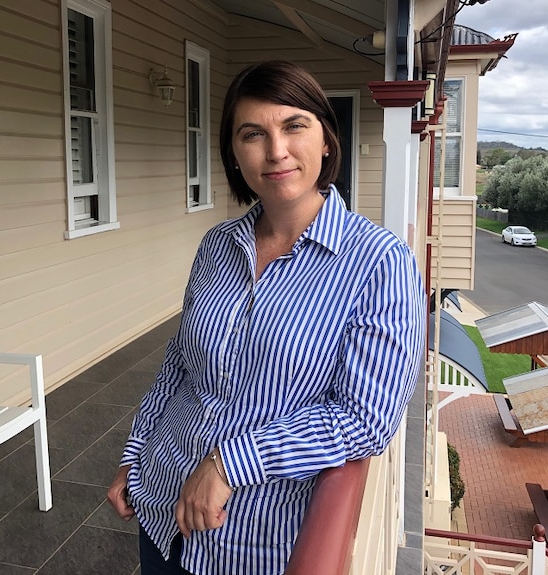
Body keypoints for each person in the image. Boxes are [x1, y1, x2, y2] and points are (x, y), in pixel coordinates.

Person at [107, 60, 426, 575]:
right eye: (253, 134)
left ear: (326, 140)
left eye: (294, 126)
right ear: (235, 156)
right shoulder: (218, 246)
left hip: (252, 538)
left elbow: (366, 418)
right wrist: (136, 452)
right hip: (160, 507)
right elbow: (179, 365)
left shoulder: (380, 263)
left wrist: (228, 463)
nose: (276, 151)